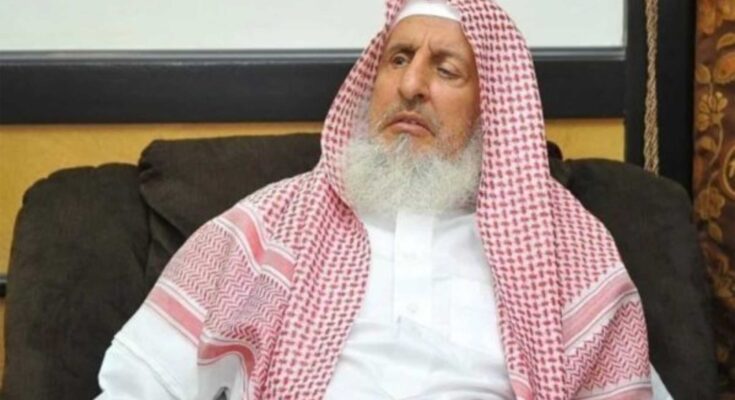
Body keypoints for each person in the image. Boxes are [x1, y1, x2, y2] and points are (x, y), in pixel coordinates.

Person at [97, 0, 672, 398]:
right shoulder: (269, 226)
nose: (411, 85)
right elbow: (137, 385)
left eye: (446, 69)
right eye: (398, 59)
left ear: (492, 107)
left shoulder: (563, 247)